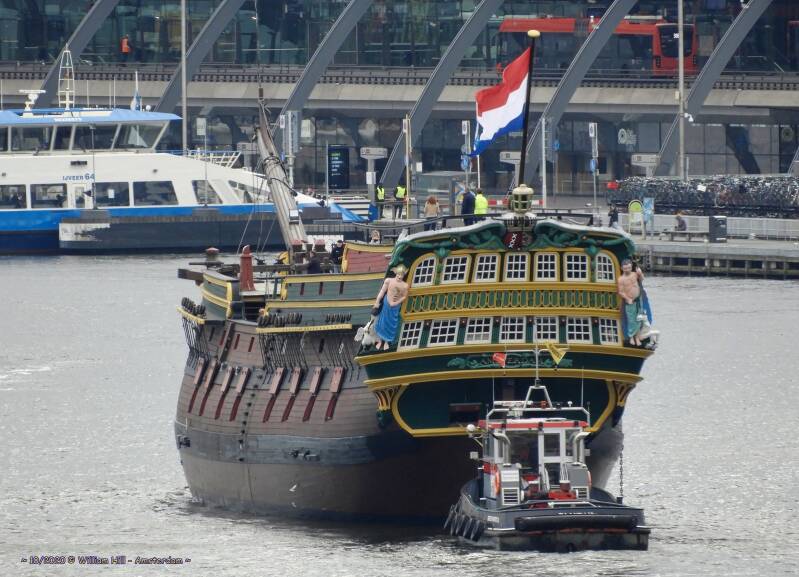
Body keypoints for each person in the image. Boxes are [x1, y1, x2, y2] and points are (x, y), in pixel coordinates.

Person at [373, 264, 409, 350]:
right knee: (382, 321)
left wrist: (397, 302)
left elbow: (404, 296)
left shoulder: (405, 285)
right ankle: (380, 340)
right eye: (398, 274)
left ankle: (386, 341)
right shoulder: (389, 280)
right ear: (396, 273)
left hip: (395, 307)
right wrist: (377, 302)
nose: (400, 276)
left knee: (392, 323)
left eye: (402, 275)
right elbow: (382, 291)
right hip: (386, 303)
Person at [617, 259, 645, 346]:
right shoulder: (621, 279)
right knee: (631, 320)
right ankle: (631, 337)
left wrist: (640, 273)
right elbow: (621, 292)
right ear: (622, 268)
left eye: (629, 268)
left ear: (631, 267)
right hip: (630, 302)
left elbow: (641, 279)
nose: (627, 270)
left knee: (639, 318)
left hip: (638, 300)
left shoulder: (634, 274)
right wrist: (627, 298)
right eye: (625, 268)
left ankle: (637, 337)